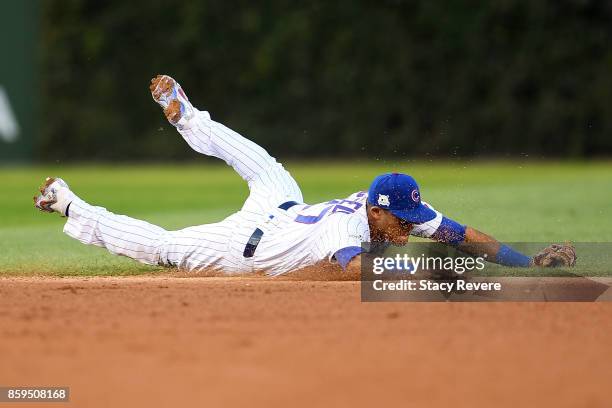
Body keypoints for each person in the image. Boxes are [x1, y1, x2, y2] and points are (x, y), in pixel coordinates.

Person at [33, 75, 574, 277]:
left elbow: (462, 235)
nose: (407, 226)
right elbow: (348, 266)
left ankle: (190, 116)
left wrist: (529, 263)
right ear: (377, 209)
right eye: (400, 220)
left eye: (412, 217)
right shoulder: (354, 230)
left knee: (264, 165)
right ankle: (71, 206)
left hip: (285, 206)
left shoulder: (390, 206)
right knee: (163, 248)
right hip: (244, 245)